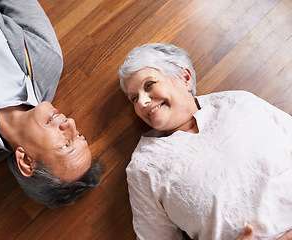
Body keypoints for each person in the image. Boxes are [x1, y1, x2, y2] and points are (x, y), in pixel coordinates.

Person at [0, 0, 102, 208]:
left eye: (65, 144)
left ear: (26, 162)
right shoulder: (45, 58)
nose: (71, 124)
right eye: (79, 136)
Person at [119, 43, 292, 239]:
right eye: (134, 98)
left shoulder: (240, 102)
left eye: (149, 85)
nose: (142, 102)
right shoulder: (144, 168)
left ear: (185, 77)